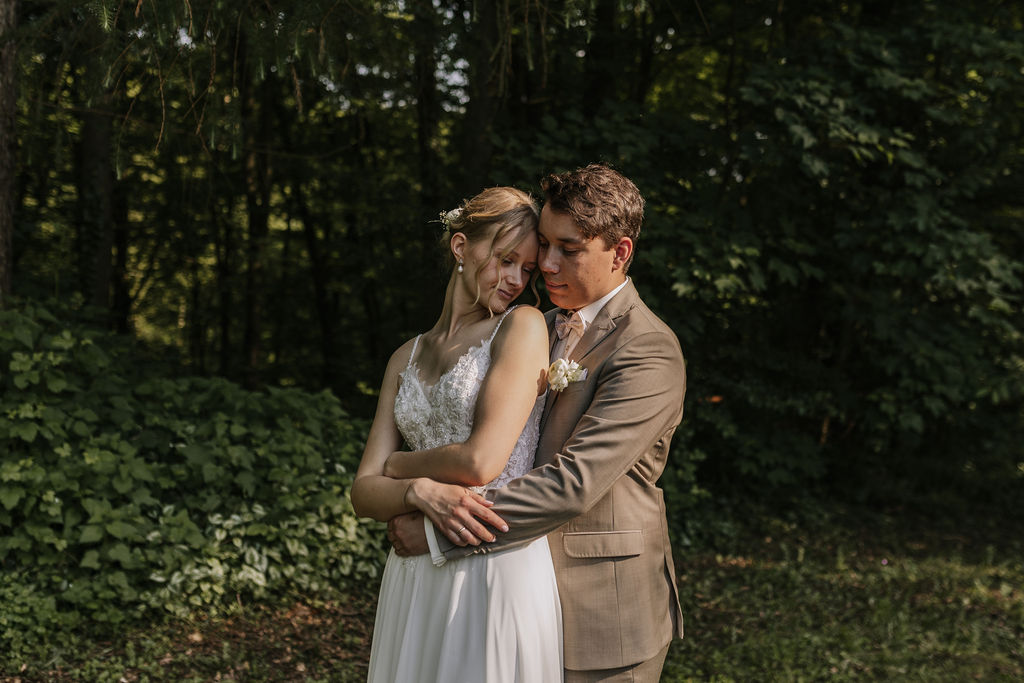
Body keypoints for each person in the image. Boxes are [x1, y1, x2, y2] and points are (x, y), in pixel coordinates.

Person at [387, 164, 686, 682]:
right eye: (543, 245)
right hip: (509, 595)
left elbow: (573, 483)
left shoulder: (648, 349)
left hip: (602, 614)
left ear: (620, 253)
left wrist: (441, 532)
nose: (546, 264)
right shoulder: (528, 327)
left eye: (568, 249)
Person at [350, 186, 563, 682]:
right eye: (506, 260)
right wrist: (417, 492)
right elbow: (362, 493)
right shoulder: (404, 357)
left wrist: (399, 468)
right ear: (461, 246)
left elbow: (480, 462)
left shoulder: (521, 327)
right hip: (412, 571)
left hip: (491, 566)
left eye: (527, 269)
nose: (517, 280)